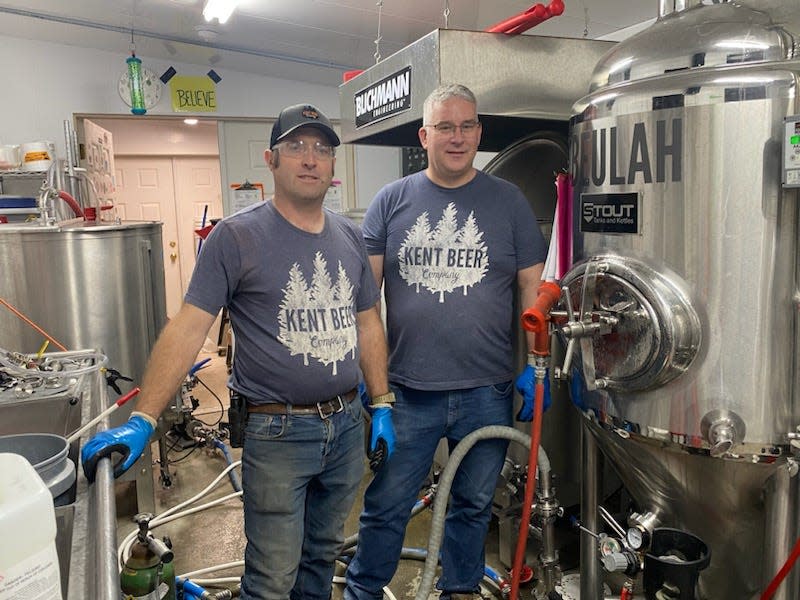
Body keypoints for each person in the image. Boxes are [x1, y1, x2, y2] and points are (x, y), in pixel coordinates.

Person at [81, 103, 396, 600]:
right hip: (278, 432)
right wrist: (145, 418)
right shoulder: (236, 237)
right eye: (296, 147)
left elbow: (367, 322)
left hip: (345, 426)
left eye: (321, 149)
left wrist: (380, 403)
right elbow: (188, 328)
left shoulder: (350, 237)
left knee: (319, 560)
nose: (310, 159)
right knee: (271, 576)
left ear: (333, 167)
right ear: (272, 160)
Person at [344, 84, 547, 600]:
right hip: (408, 392)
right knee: (388, 503)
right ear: (425, 135)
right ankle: (364, 590)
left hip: (489, 389)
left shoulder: (509, 202)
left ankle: (459, 589)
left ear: (479, 132)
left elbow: (534, 293)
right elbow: (364, 304)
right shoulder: (392, 201)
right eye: (444, 127)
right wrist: (372, 380)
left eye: (466, 126)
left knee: (474, 503)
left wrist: (539, 366)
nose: (456, 137)